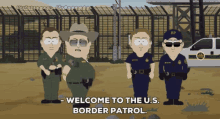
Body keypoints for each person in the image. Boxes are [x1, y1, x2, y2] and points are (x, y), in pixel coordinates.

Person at [60, 23, 98, 108]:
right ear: (67, 44)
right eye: (73, 42)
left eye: (82, 42)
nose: (78, 45)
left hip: (85, 82)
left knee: (83, 92)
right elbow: (67, 69)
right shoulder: (70, 60)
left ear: (89, 45)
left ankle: (81, 102)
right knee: (77, 92)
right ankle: (77, 103)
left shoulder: (83, 60)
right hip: (75, 81)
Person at [125, 28, 155, 104]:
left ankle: (144, 98)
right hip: (135, 74)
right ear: (131, 43)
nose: (140, 44)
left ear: (149, 44)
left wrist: (152, 72)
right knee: (136, 87)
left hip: (145, 74)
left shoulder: (148, 56)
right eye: (137, 41)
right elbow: (128, 63)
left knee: (145, 87)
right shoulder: (131, 56)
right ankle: (137, 98)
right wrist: (128, 72)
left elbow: (152, 64)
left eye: (144, 41)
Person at [159, 29, 188, 105]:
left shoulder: (182, 58)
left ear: (182, 45)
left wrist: (184, 73)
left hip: (178, 76)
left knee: (177, 87)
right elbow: (160, 66)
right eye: (169, 44)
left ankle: (176, 99)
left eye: (176, 44)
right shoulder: (164, 58)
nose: (172, 47)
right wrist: (161, 73)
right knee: (168, 88)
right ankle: (170, 99)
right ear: (163, 45)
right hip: (168, 76)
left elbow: (185, 66)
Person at [37, 27, 63, 104]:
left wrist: (56, 67)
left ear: (59, 43)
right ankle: (47, 98)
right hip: (46, 74)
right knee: (47, 86)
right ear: (42, 43)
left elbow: (61, 63)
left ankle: (54, 98)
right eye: (48, 41)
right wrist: (45, 70)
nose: (51, 44)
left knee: (55, 86)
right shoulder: (43, 55)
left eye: (54, 41)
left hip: (56, 74)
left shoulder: (58, 55)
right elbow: (39, 64)